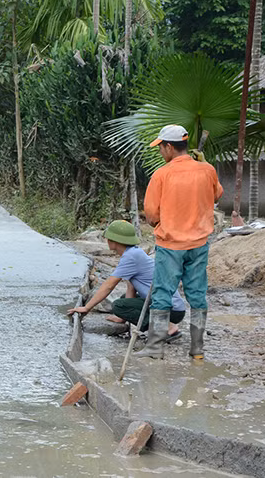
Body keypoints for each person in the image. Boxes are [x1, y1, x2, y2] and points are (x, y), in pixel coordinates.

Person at [137, 125, 223, 360]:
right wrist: (204, 166)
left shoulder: (162, 175)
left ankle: (155, 347)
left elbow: (152, 215)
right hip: (198, 244)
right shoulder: (207, 170)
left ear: (168, 146)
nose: (160, 153)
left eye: (161, 148)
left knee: (163, 292)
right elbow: (216, 195)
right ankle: (197, 349)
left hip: (170, 244)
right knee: (197, 294)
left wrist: (162, 223)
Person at [67, 220, 185, 340]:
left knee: (118, 305)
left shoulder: (131, 257)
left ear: (115, 241)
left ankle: (167, 326)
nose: (106, 241)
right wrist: (124, 316)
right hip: (171, 307)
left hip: (171, 309)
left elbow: (109, 285)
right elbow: (131, 287)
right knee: (124, 300)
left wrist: (87, 307)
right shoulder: (133, 253)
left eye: (108, 238)